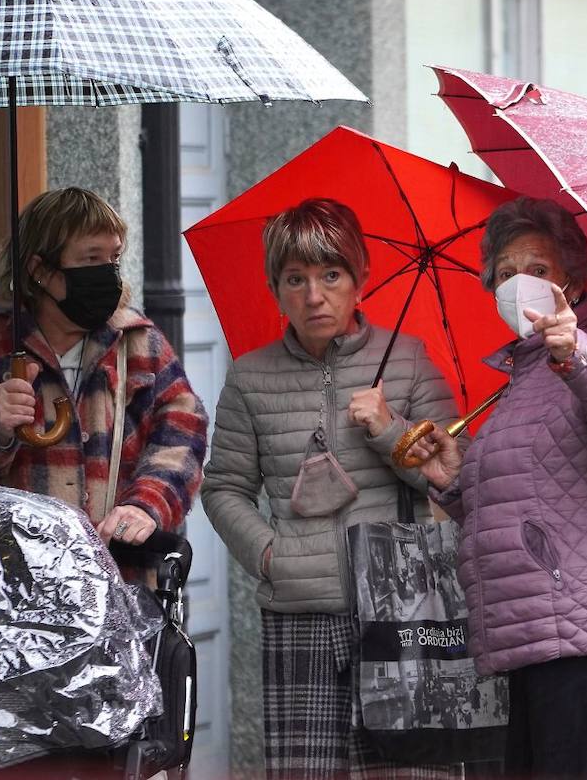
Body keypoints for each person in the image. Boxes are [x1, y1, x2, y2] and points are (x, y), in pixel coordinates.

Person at [407, 196, 587, 780]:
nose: (518, 284)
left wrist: (577, 353)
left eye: (538, 270)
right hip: (533, 629)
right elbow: (527, 494)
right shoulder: (523, 378)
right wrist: (454, 479)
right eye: (505, 273)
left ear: (573, 283)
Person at [199, 198, 458, 778]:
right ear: (275, 288)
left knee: (409, 772)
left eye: (330, 275)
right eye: (296, 279)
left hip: (403, 610)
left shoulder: (410, 362)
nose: (314, 295)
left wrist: (388, 431)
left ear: (361, 278)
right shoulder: (250, 377)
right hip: (300, 615)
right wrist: (271, 556)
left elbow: (455, 480)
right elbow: (224, 489)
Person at [0, 187, 208, 551]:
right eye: (90, 259)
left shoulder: (136, 342)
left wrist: (146, 504)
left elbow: (184, 430)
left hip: (116, 583)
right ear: (40, 270)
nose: (107, 274)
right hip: (8, 588)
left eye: (113, 259)